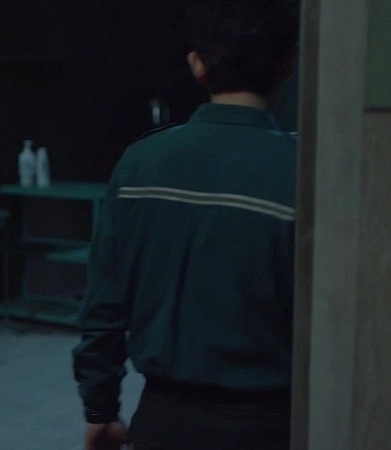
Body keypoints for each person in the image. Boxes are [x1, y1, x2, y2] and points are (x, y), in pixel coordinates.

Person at [72, 1, 299, 449]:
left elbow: (103, 307)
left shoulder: (140, 163)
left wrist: (100, 410)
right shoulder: (305, 174)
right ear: (288, 63)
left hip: (164, 420)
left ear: (197, 65)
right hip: (273, 425)